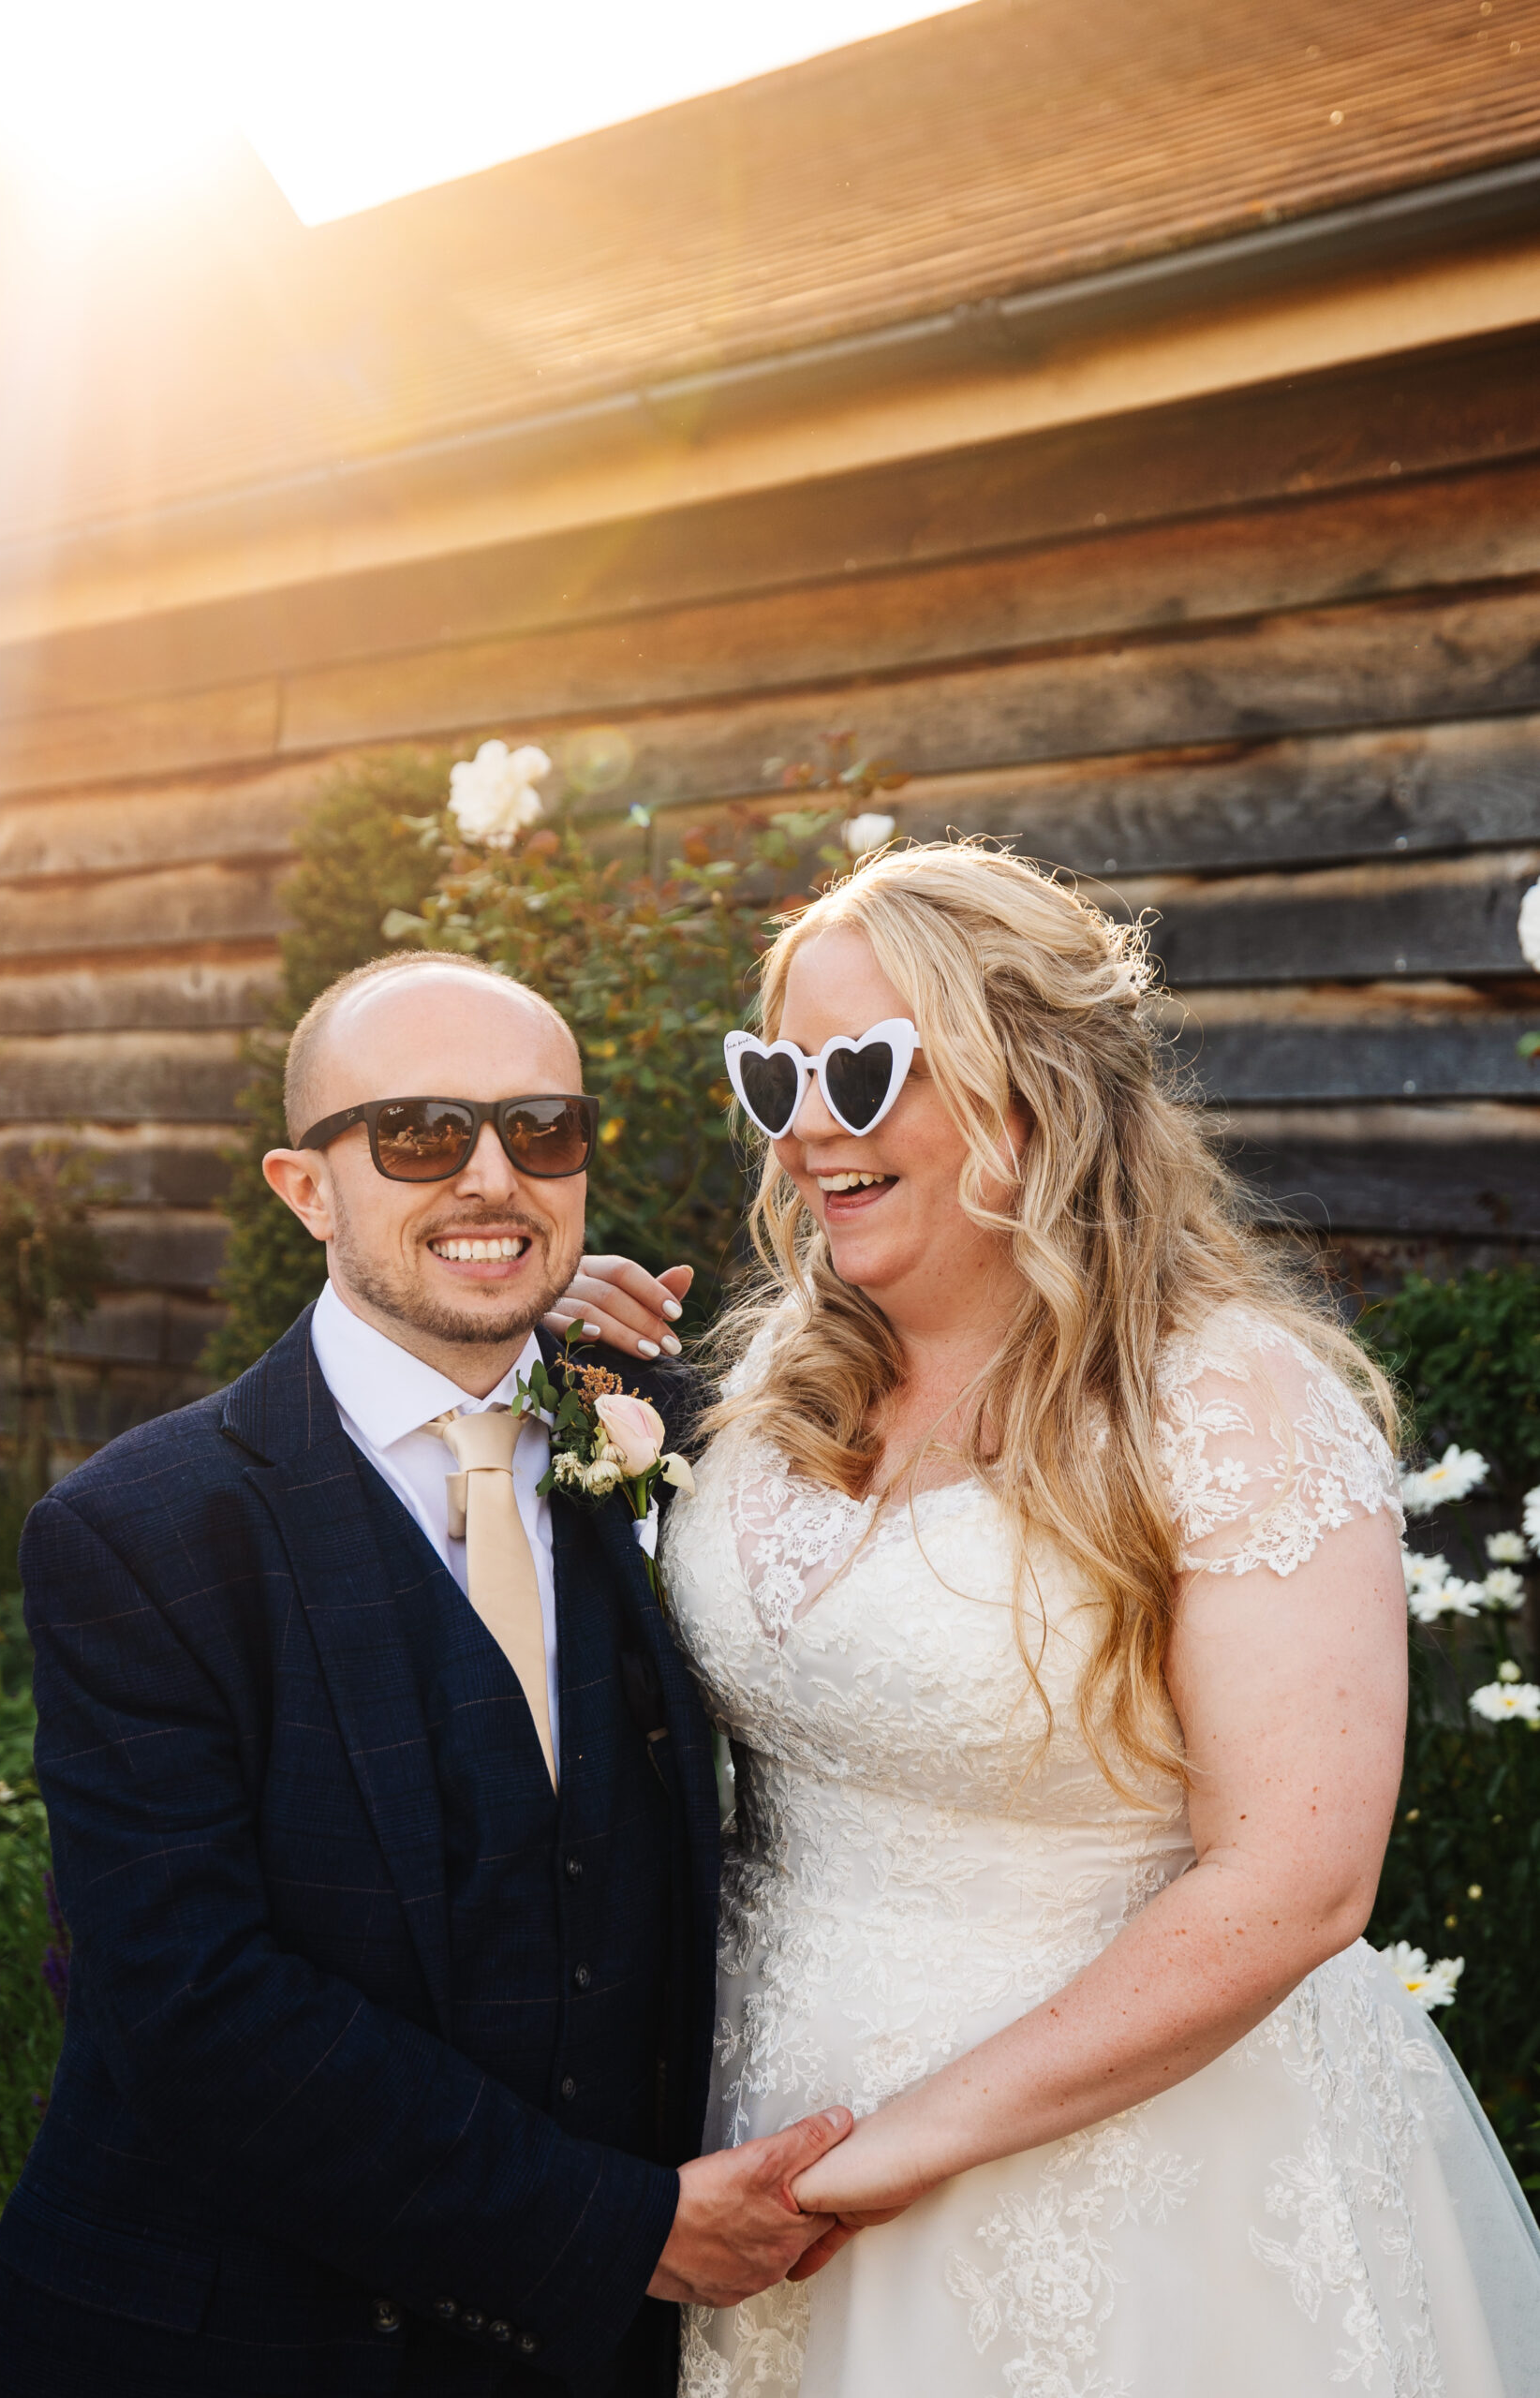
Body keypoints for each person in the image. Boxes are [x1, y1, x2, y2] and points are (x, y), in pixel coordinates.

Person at [657, 842, 1540, 2398]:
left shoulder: (1229, 1402)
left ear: (1029, 1088)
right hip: (746, 2122)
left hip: (1120, 2178)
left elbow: (1295, 1882)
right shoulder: (772, 1381)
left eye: (859, 1071)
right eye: (774, 1070)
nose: (804, 1127)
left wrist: (889, 2153)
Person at [0, 952, 855, 2398]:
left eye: (542, 1131)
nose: (493, 1178)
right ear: (305, 1188)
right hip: (237, 2348)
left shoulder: (668, 1446)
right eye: (420, 1136)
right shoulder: (138, 1537)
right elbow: (195, 2012)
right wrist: (624, 2232)